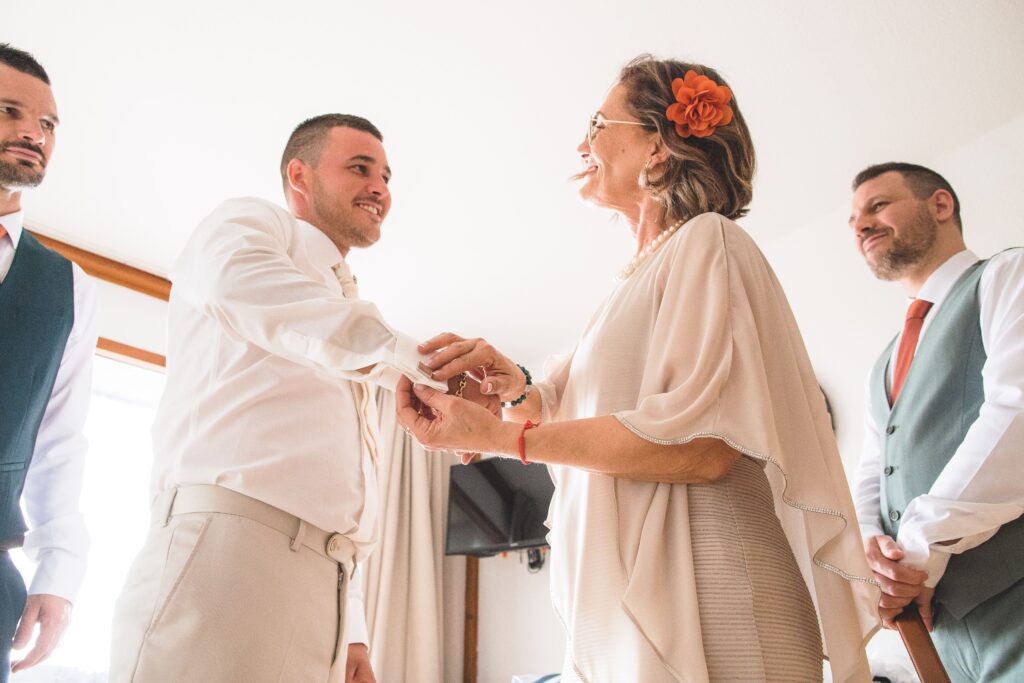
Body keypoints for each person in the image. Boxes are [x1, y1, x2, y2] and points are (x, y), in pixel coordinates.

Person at [397, 55, 879, 682]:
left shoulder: (710, 241)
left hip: (715, 586)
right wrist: (514, 386)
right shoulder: (630, 285)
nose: (581, 143)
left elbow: (705, 442)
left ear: (657, 144)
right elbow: (590, 410)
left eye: (597, 123)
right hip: (629, 602)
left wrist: (501, 437)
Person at [109, 114, 447, 683]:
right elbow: (257, 292)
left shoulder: (347, 319)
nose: (380, 189)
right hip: (227, 559)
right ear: (300, 175)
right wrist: (422, 368)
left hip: (327, 585)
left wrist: (353, 626)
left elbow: (339, 476)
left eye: (387, 177)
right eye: (360, 168)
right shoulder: (249, 225)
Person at [848, 162, 1024, 681]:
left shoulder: (1006, 276)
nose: (860, 225)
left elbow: (1016, 410)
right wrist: (869, 548)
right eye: (853, 218)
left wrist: (921, 550)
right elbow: (874, 468)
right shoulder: (882, 361)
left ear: (940, 205)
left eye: (878, 206)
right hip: (942, 633)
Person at [0, 44, 98, 681]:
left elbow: (59, 443)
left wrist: (58, 571)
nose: (33, 134)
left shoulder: (70, 288)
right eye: (10, 111)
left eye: (47, 124)